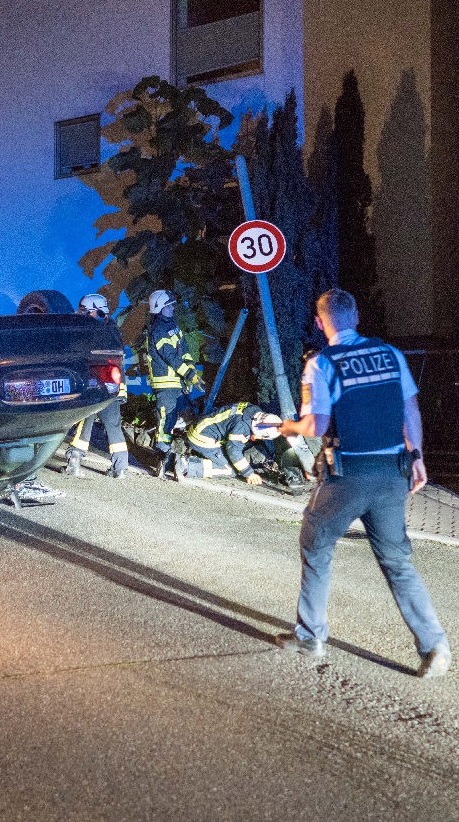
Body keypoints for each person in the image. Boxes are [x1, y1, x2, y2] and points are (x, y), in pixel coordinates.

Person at [275, 288, 449, 678]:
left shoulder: (322, 364)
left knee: (316, 544)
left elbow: (316, 426)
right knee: (397, 561)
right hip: (393, 473)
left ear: (320, 324)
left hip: (348, 474)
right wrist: (416, 456)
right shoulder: (391, 355)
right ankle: (434, 645)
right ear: (356, 315)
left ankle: (310, 636)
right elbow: (410, 408)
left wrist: (283, 426)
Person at [65, 293, 130, 479]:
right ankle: (120, 468)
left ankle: (74, 462)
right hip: (112, 387)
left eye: (85, 311)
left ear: (95, 311)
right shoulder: (112, 330)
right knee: (113, 426)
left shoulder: (90, 330)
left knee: (85, 421)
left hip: (94, 387)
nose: (82, 314)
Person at [142, 289, 201, 476]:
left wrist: (190, 368)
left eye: (172, 304)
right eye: (169, 305)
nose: (172, 308)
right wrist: (190, 375)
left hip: (177, 382)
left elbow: (183, 349)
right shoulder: (158, 330)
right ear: (159, 307)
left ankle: (173, 457)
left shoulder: (173, 324)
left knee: (181, 418)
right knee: (165, 423)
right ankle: (162, 458)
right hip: (165, 384)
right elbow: (170, 358)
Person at [174, 402, 281, 483]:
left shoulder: (253, 409)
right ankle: (186, 464)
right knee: (230, 470)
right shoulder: (242, 427)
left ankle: (189, 452)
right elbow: (233, 451)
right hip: (202, 438)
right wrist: (249, 473)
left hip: (201, 427)